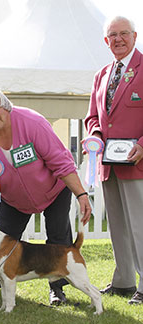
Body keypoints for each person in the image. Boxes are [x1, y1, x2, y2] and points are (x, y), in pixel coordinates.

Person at [0, 83, 91, 307]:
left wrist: (81, 193)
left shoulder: (31, 122)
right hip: (15, 200)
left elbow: (60, 160)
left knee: (58, 238)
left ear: (4, 105)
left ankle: (57, 290)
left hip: (54, 190)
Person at [84, 16, 143, 305]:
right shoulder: (101, 74)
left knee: (140, 225)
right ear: (106, 41)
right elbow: (93, 117)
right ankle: (123, 281)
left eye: (123, 34)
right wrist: (94, 135)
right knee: (116, 224)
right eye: (112, 36)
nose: (118, 39)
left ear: (134, 36)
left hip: (138, 163)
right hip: (108, 164)